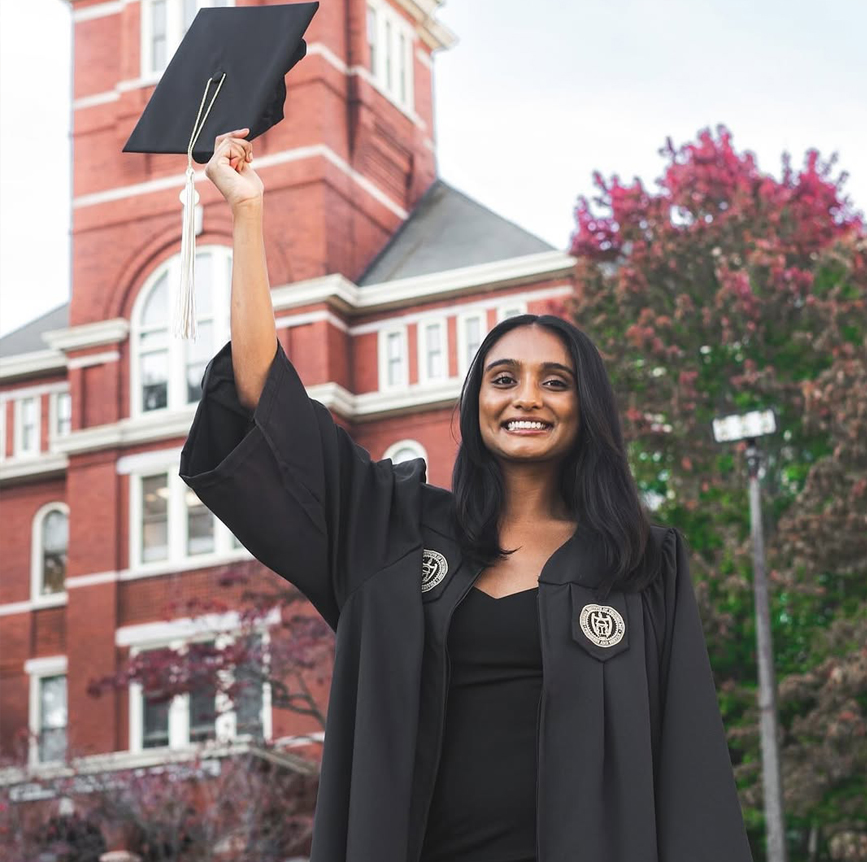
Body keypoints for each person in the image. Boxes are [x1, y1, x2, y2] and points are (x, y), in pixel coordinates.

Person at [179, 130, 755, 862]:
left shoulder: (641, 565)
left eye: (555, 381)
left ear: (587, 410)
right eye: (504, 377)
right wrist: (249, 215)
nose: (528, 398)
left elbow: (689, 764)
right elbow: (273, 411)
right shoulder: (400, 531)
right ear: (475, 401)